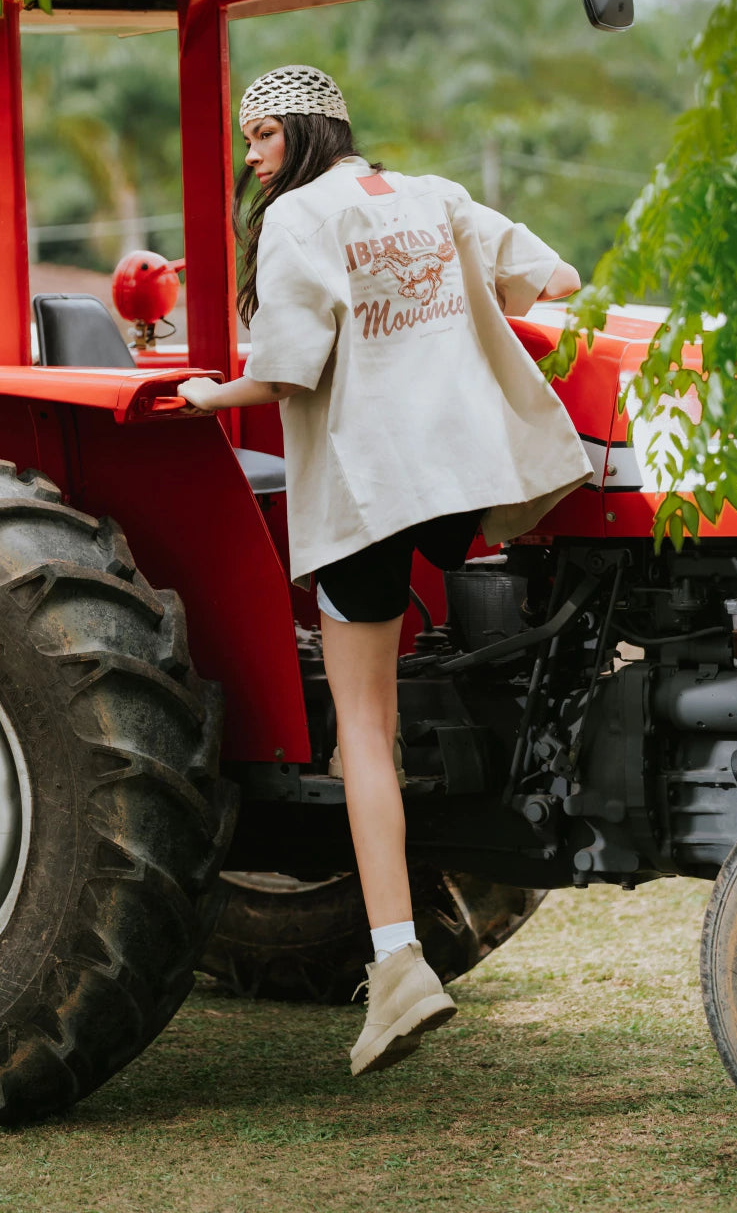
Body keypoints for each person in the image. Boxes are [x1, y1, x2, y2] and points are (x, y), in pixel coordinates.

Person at [178, 64, 592, 1077]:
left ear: (297, 131)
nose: (250, 158)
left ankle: (398, 964)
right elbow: (559, 282)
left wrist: (201, 397)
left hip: (371, 489)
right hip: (463, 479)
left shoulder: (297, 221)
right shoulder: (432, 195)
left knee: (363, 731)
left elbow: (283, 374)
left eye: (259, 138)